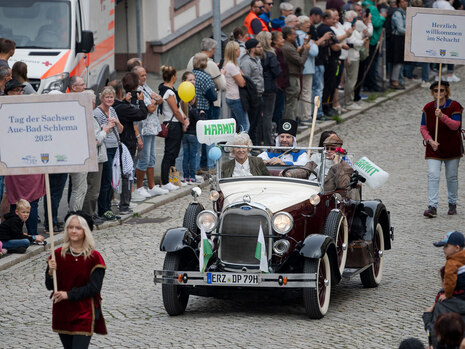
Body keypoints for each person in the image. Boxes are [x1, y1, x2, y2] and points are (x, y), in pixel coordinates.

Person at [46, 213, 107, 349]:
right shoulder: (57, 255)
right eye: (70, 227)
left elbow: (94, 288)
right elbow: (49, 286)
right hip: (63, 311)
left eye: (78, 228)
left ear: (85, 231)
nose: (73, 231)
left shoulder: (94, 258)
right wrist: (50, 272)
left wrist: (68, 295)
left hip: (85, 310)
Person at [420, 81, 463, 218]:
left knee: (451, 177)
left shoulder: (455, 106)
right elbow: (423, 127)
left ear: (446, 91)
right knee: (433, 175)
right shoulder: (427, 108)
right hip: (434, 147)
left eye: (442, 90)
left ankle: (452, 203)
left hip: (452, 147)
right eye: (436, 91)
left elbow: (455, 125)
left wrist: (442, 116)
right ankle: (432, 206)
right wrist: (430, 140)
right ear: (432, 93)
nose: (439, 93)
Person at [113, 72, 148, 214]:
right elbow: (142, 114)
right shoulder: (122, 108)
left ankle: (120, 202)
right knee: (127, 173)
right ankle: (124, 205)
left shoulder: (118, 106)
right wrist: (140, 101)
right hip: (127, 143)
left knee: (120, 173)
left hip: (121, 143)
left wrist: (127, 102)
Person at [133, 66, 167, 198]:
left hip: (152, 126)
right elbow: (150, 108)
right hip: (144, 127)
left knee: (152, 157)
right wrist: (154, 101)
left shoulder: (146, 87)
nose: (145, 77)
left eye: (145, 75)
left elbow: (159, 99)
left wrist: (154, 101)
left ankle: (152, 186)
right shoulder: (136, 90)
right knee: (144, 158)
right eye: (142, 75)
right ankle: (140, 187)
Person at [94, 86, 124, 221]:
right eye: (107, 97)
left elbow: (121, 130)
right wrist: (108, 126)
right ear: (102, 98)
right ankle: (103, 209)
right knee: (106, 180)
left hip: (115, 147)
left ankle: (108, 208)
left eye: (111, 97)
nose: (109, 99)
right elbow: (100, 131)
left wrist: (116, 123)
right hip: (105, 149)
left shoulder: (113, 110)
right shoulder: (97, 112)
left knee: (113, 179)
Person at [82, 90, 110, 225]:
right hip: (95, 157)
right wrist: (105, 131)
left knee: (92, 188)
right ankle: (89, 216)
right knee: (93, 189)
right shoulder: (89, 117)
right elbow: (96, 140)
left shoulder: (89, 116)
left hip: (96, 157)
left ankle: (90, 214)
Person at [159, 65, 189, 192]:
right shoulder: (168, 92)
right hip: (173, 125)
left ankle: (171, 178)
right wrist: (183, 122)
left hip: (175, 123)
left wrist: (184, 118)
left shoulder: (168, 89)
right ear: (173, 77)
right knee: (170, 153)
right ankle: (165, 181)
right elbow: (175, 110)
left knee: (173, 153)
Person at [256, 31, 281, 146]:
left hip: (259, 87)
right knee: (267, 115)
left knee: (259, 115)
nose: (271, 41)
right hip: (270, 87)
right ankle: (268, 141)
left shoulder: (256, 55)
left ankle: (259, 138)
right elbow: (277, 71)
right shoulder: (270, 55)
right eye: (270, 39)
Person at [180, 72, 205, 184]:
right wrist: (202, 113)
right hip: (193, 134)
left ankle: (185, 176)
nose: (193, 82)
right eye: (190, 80)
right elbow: (198, 119)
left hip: (185, 134)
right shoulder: (193, 107)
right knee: (193, 156)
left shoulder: (182, 103)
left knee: (186, 155)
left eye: (194, 79)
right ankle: (192, 176)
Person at [281, 26, 310, 121]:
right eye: (294, 34)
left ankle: (292, 123)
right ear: (288, 36)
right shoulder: (287, 47)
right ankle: (289, 125)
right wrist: (306, 51)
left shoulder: (290, 45)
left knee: (293, 102)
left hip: (294, 75)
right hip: (291, 77)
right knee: (291, 103)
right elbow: (300, 61)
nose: (296, 35)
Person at [240, 38, 264, 145]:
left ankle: (255, 144)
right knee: (252, 122)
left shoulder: (257, 60)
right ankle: (250, 145)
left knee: (257, 123)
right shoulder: (246, 62)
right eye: (259, 47)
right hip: (252, 97)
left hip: (260, 94)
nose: (261, 49)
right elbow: (246, 81)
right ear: (252, 49)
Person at [295, 16, 319, 124]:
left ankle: (302, 115)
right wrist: (314, 44)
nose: (308, 24)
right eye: (306, 22)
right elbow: (314, 52)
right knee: (306, 92)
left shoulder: (297, 35)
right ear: (300, 25)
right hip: (307, 68)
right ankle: (306, 115)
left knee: (302, 92)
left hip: (303, 67)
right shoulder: (304, 36)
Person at [223, 41, 249, 133]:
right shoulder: (231, 66)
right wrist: (243, 77)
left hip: (231, 97)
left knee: (234, 125)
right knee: (245, 125)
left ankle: (232, 144)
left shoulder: (229, 65)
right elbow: (242, 82)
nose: (240, 51)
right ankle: (243, 145)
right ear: (235, 51)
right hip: (235, 98)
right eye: (238, 49)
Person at [433, 231, 465, 301]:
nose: (443, 248)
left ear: (457, 248)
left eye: (446, 246)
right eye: (443, 246)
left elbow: (450, 280)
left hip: (461, 292)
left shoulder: (451, 263)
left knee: (441, 293)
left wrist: (447, 294)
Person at [271, 31, 289, 128]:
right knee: (277, 109)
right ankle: (277, 129)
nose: (283, 40)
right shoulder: (275, 52)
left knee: (280, 108)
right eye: (280, 38)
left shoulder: (279, 51)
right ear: (274, 41)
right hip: (278, 85)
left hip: (282, 84)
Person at [389, 0, 407, 90]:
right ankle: (394, 81)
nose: (405, 3)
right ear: (399, 3)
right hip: (397, 38)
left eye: (406, 1)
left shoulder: (404, 13)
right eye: (403, 2)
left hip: (401, 38)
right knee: (397, 61)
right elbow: (400, 29)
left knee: (400, 61)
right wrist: (411, 32)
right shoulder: (398, 14)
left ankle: (399, 80)